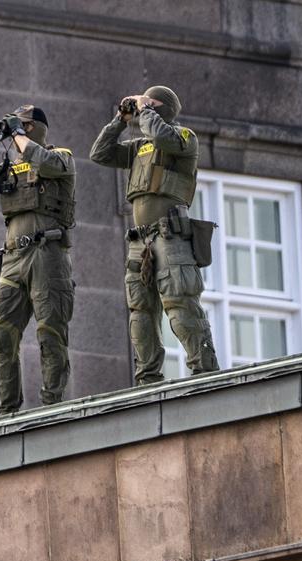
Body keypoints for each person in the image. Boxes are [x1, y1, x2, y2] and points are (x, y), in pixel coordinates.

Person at [89, 85, 219, 384]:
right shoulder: (138, 148)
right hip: (140, 240)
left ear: (163, 108)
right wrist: (120, 120)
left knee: (180, 304)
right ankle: (148, 376)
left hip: (171, 236)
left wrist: (145, 109)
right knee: (140, 312)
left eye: (151, 102)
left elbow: (162, 136)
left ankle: (204, 370)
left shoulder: (183, 138)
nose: (141, 107)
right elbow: (100, 153)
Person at [0, 105, 77, 414]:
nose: (19, 132)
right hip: (13, 258)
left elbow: (42, 160)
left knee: (50, 331)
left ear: (35, 129)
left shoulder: (60, 158)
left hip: (47, 255)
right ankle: (8, 410)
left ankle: (52, 404)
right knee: (2, 333)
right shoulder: (10, 169)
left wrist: (17, 133)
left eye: (25, 126)